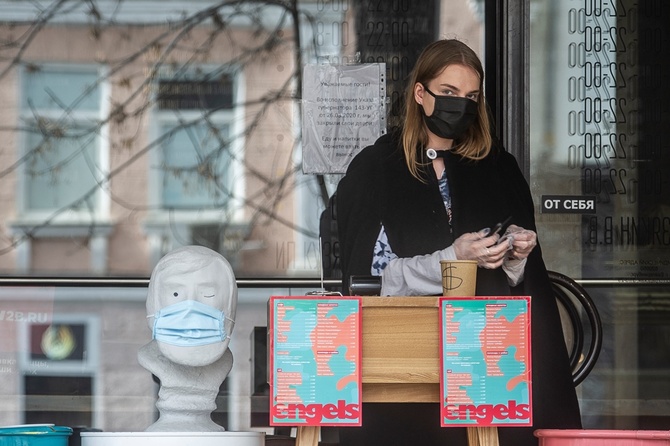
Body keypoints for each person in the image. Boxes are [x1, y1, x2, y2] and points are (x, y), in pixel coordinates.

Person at [335, 39, 581, 445]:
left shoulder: (498, 168)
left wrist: (516, 256)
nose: (460, 105)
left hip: (486, 361)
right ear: (420, 93)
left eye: (471, 97)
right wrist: (455, 258)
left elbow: (521, 288)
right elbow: (375, 281)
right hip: (405, 365)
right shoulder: (376, 169)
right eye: (449, 92)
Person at [138, 245, 237, 432]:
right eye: (175, 294)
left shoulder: (223, 361)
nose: (191, 305)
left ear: (229, 303)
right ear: (155, 301)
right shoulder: (149, 357)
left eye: (208, 294)